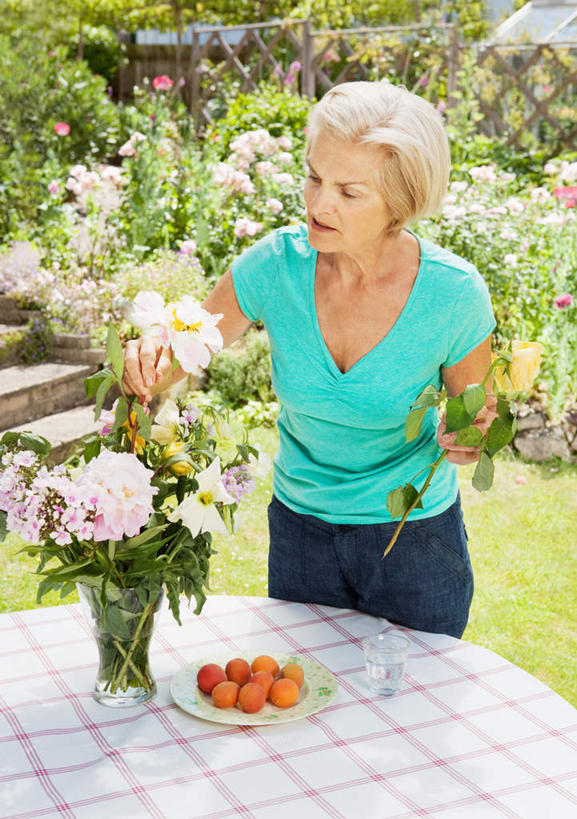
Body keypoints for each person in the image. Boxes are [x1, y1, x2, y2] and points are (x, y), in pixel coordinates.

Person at [123, 80, 497, 638]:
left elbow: (475, 423)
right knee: (300, 689)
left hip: (413, 540)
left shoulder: (453, 294)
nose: (319, 204)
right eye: (314, 177)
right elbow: (180, 352)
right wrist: (147, 352)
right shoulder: (275, 265)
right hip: (301, 535)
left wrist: (471, 436)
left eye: (350, 192)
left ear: (399, 203)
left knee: (416, 691)